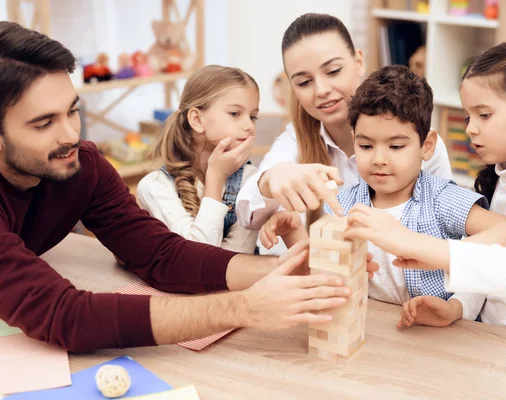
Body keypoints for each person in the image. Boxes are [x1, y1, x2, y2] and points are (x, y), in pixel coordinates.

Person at [0, 21, 373, 353]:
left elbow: (163, 256)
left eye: (72, 111)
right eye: (43, 123)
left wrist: (290, 270)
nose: (70, 135)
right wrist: (244, 307)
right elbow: (69, 317)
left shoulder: (83, 166)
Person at [348, 42, 506, 347]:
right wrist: (457, 307)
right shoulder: (504, 174)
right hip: (496, 343)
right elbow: (489, 269)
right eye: (469, 117)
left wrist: (418, 244)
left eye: (484, 115)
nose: (470, 129)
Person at [260, 65, 506, 309]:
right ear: (354, 141)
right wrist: (292, 233)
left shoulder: (441, 199)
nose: (379, 159)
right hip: (369, 329)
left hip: (433, 335)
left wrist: (426, 250)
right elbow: (321, 268)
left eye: (396, 146)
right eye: (366, 146)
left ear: (427, 145)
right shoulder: (342, 204)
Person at [236, 13, 452, 233]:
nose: (322, 90)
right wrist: (271, 178)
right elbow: (247, 215)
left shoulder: (417, 141)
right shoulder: (296, 139)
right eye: (304, 82)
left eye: (333, 71)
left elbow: (446, 226)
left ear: (359, 62)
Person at [137, 65, 259, 254]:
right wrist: (216, 177)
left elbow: (236, 261)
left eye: (253, 117)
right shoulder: (155, 186)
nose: (249, 125)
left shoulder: (251, 180)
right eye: (235, 113)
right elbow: (196, 258)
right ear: (196, 119)